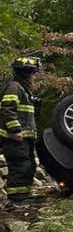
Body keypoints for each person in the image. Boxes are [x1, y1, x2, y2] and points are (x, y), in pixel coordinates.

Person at [0, 57, 43, 203]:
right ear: (26, 73)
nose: (33, 77)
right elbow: (7, 110)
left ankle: (24, 195)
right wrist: (15, 130)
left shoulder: (23, 90)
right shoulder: (14, 87)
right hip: (15, 138)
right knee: (20, 165)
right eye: (32, 73)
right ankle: (17, 197)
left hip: (23, 138)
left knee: (28, 165)